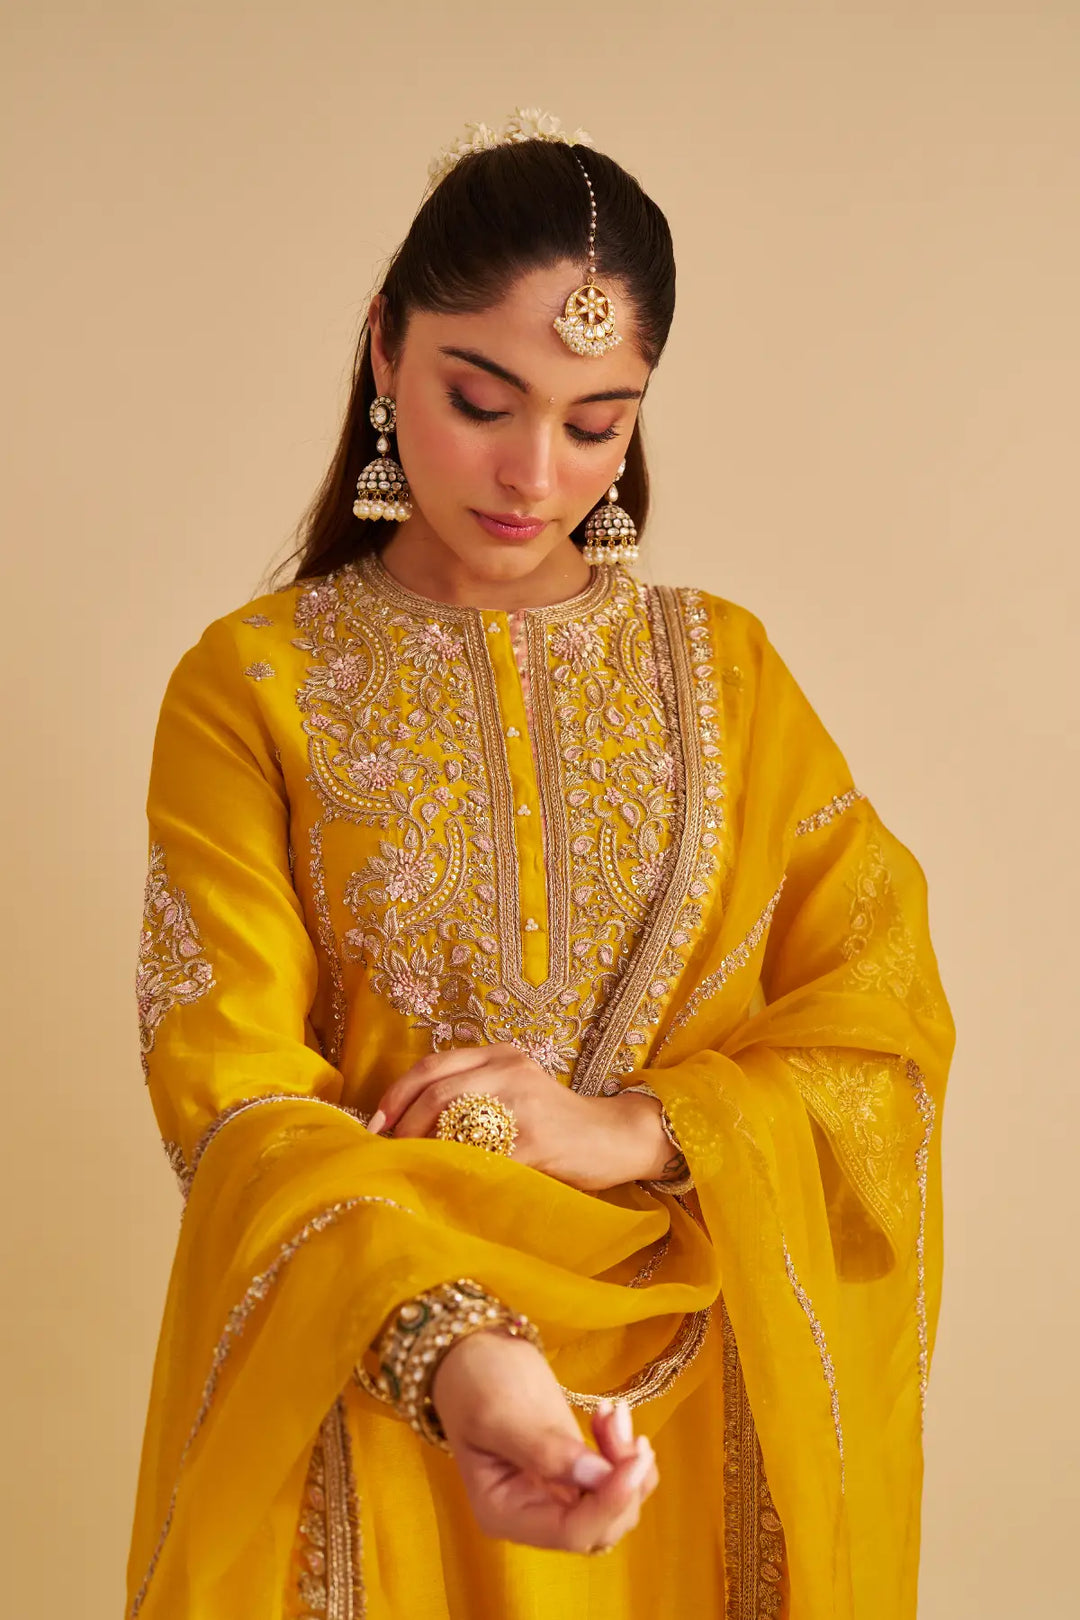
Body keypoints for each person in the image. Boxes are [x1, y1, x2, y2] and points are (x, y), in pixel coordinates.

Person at [126, 109, 955, 1620]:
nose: (532, 470)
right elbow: (231, 1086)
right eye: (479, 397)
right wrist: (456, 1355)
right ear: (385, 352)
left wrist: (636, 1128)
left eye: (596, 421)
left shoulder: (728, 676)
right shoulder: (255, 687)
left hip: (690, 1428)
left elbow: (883, 1024)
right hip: (385, 1386)